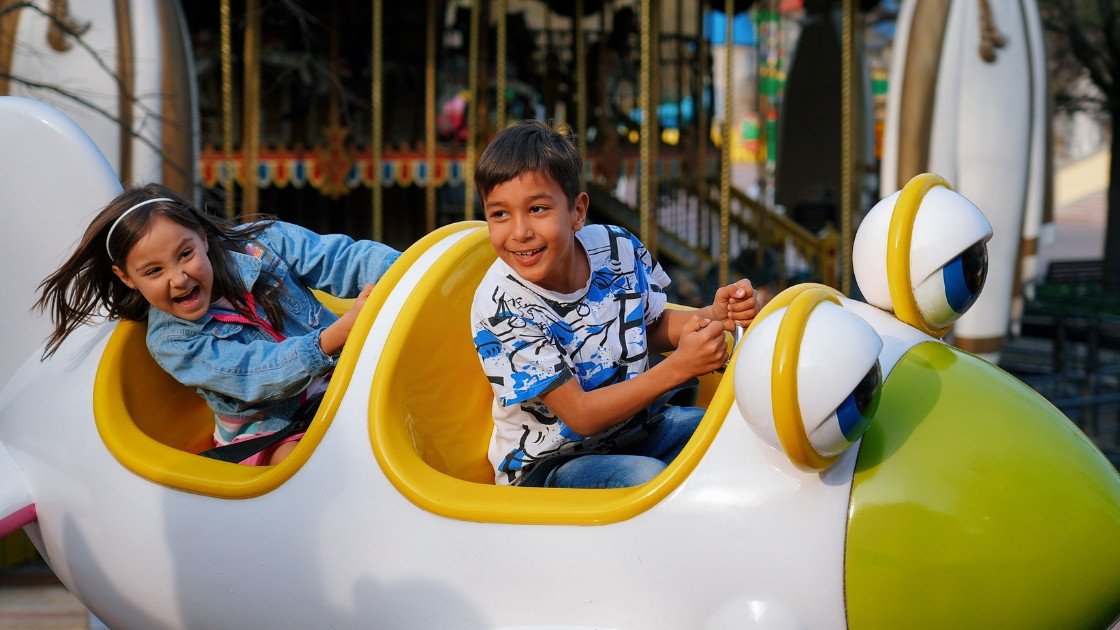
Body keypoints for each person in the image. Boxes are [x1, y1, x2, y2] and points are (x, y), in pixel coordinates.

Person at [470, 120, 757, 488]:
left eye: (538, 209)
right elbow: (580, 416)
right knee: (644, 480)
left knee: (738, 433)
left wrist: (713, 317)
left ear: (577, 211)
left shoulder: (616, 248)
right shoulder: (502, 305)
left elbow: (647, 327)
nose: (520, 231)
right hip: (551, 466)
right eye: (499, 214)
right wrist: (680, 368)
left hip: (634, 430)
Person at [36, 184, 401, 465]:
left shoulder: (265, 243)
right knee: (308, 465)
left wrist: (408, 271)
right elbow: (253, 374)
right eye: (153, 271)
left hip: (341, 385)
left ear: (202, 236)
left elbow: (340, 259)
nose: (178, 278)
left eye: (185, 254)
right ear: (127, 277)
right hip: (272, 430)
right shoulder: (173, 341)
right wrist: (335, 336)